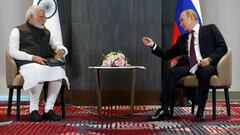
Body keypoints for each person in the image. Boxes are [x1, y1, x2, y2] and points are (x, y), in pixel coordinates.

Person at [142, 9, 227, 122]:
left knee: (204, 72)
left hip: (206, 64)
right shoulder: (182, 38)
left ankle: (200, 111)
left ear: (191, 18)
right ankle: (164, 109)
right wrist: (153, 45)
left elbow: (222, 47)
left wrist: (210, 59)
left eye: (182, 20)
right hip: (189, 67)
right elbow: (168, 55)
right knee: (170, 72)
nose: (180, 24)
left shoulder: (210, 29)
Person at [8, 5, 70, 122]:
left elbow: (58, 45)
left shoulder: (46, 32)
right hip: (27, 64)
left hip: (45, 63)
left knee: (58, 71)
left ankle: (48, 109)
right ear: (31, 17)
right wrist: (32, 57)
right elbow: (13, 52)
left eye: (44, 17)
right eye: (41, 17)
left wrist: (61, 49)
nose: (45, 20)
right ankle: (33, 110)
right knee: (38, 69)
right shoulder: (17, 30)